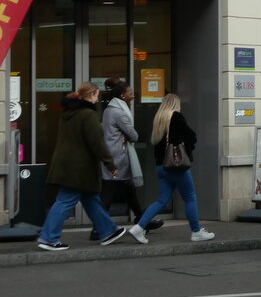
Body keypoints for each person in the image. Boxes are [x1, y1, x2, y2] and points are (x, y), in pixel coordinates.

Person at [36, 83, 127, 251]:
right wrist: (110, 163)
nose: (98, 98)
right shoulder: (88, 114)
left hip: (68, 164)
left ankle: (108, 231)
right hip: (79, 167)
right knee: (65, 200)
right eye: (97, 95)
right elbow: (97, 142)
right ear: (91, 95)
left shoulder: (68, 113)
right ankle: (48, 237)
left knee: (90, 198)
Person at [128, 93, 215, 244]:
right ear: (175, 104)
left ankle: (139, 227)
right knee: (189, 197)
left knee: (161, 200)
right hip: (176, 165)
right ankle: (196, 231)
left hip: (161, 166)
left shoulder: (159, 119)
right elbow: (192, 137)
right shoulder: (176, 117)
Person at [92, 78, 161, 240]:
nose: (132, 96)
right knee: (109, 194)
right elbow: (134, 135)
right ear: (123, 96)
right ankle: (97, 228)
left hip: (113, 155)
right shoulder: (119, 113)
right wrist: (127, 136)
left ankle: (142, 221)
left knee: (129, 191)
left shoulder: (109, 110)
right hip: (119, 157)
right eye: (130, 94)